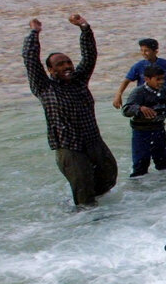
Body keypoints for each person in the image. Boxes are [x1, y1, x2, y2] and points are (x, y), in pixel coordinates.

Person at [23, 14, 118, 207]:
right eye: (60, 64)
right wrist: (34, 33)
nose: (67, 66)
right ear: (50, 70)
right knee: (83, 190)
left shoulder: (79, 80)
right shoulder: (44, 87)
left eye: (68, 62)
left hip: (93, 141)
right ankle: (85, 222)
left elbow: (90, 55)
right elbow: (30, 60)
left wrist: (84, 27)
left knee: (109, 177)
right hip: (69, 147)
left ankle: (100, 214)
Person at [121, 64, 166, 177]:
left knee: (163, 163)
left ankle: (162, 188)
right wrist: (139, 108)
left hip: (159, 131)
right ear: (147, 79)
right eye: (158, 79)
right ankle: (139, 191)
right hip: (141, 133)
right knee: (140, 166)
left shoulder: (163, 90)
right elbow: (126, 110)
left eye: (163, 78)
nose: (161, 82)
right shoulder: (138, 92)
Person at [112, 38, 166, 134]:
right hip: (146, 99)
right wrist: (118, 95)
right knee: (150, 118)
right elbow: (126, 81)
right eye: (141, 50)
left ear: (155, 51)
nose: (143, 53)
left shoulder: (165, 63)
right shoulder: (138, 66)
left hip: (163, 96)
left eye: (146, 50)